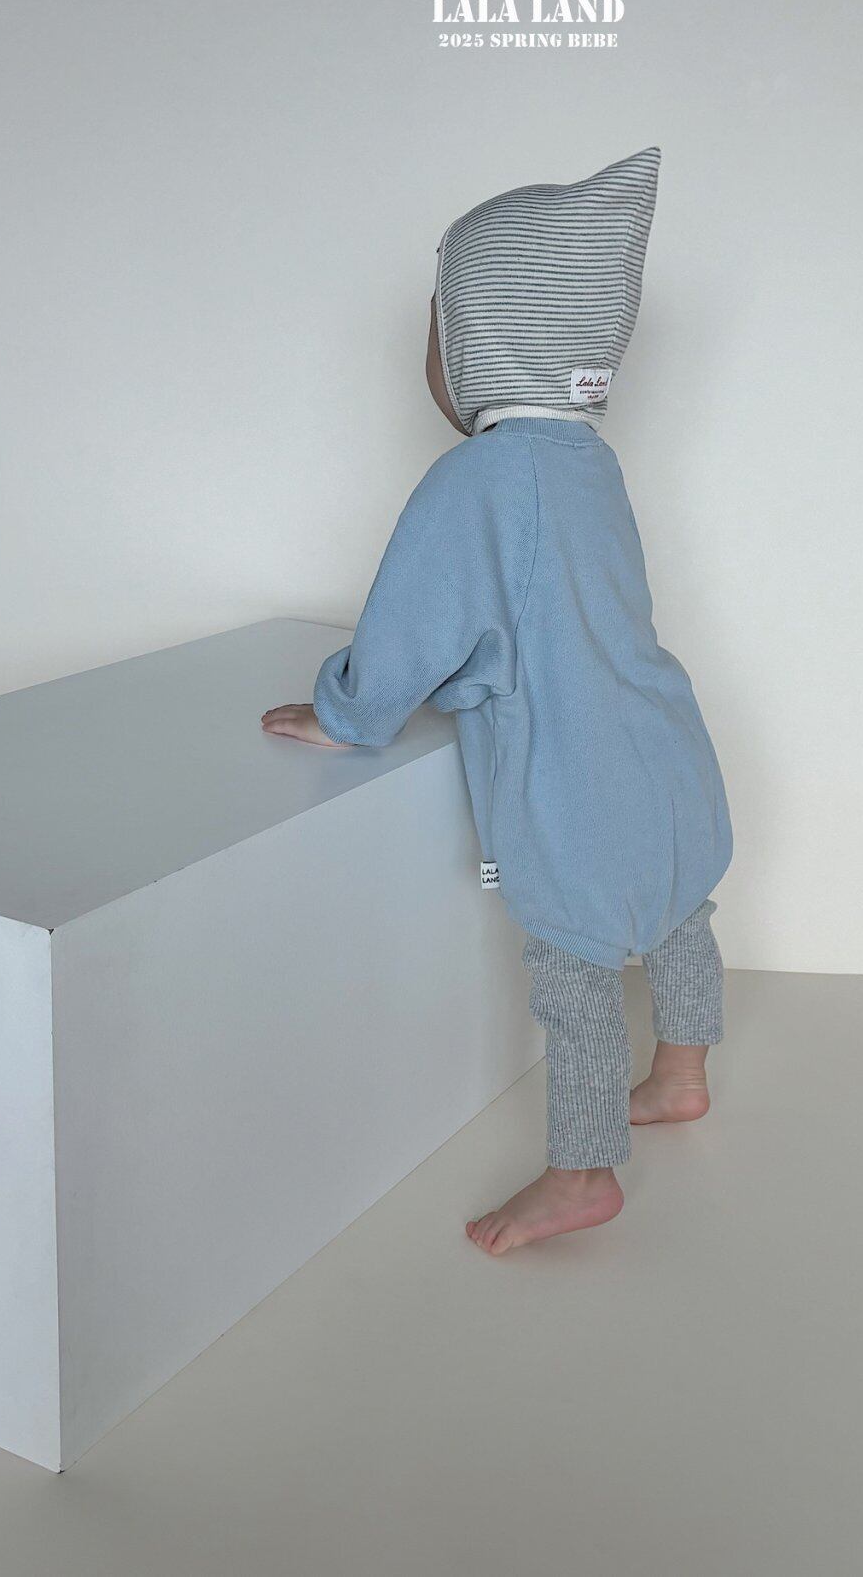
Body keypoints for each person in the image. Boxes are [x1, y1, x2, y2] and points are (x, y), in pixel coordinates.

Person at [262, 147, 732, 1255]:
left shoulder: (478, 476)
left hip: (575, 768)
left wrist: (348, 712)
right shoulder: (587, 460)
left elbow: (413, 623)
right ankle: (680, 1074)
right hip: (663, 742)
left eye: (438, 330)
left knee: (572, 968)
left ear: (479, 341)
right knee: (680, 915)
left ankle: (582, 1173)